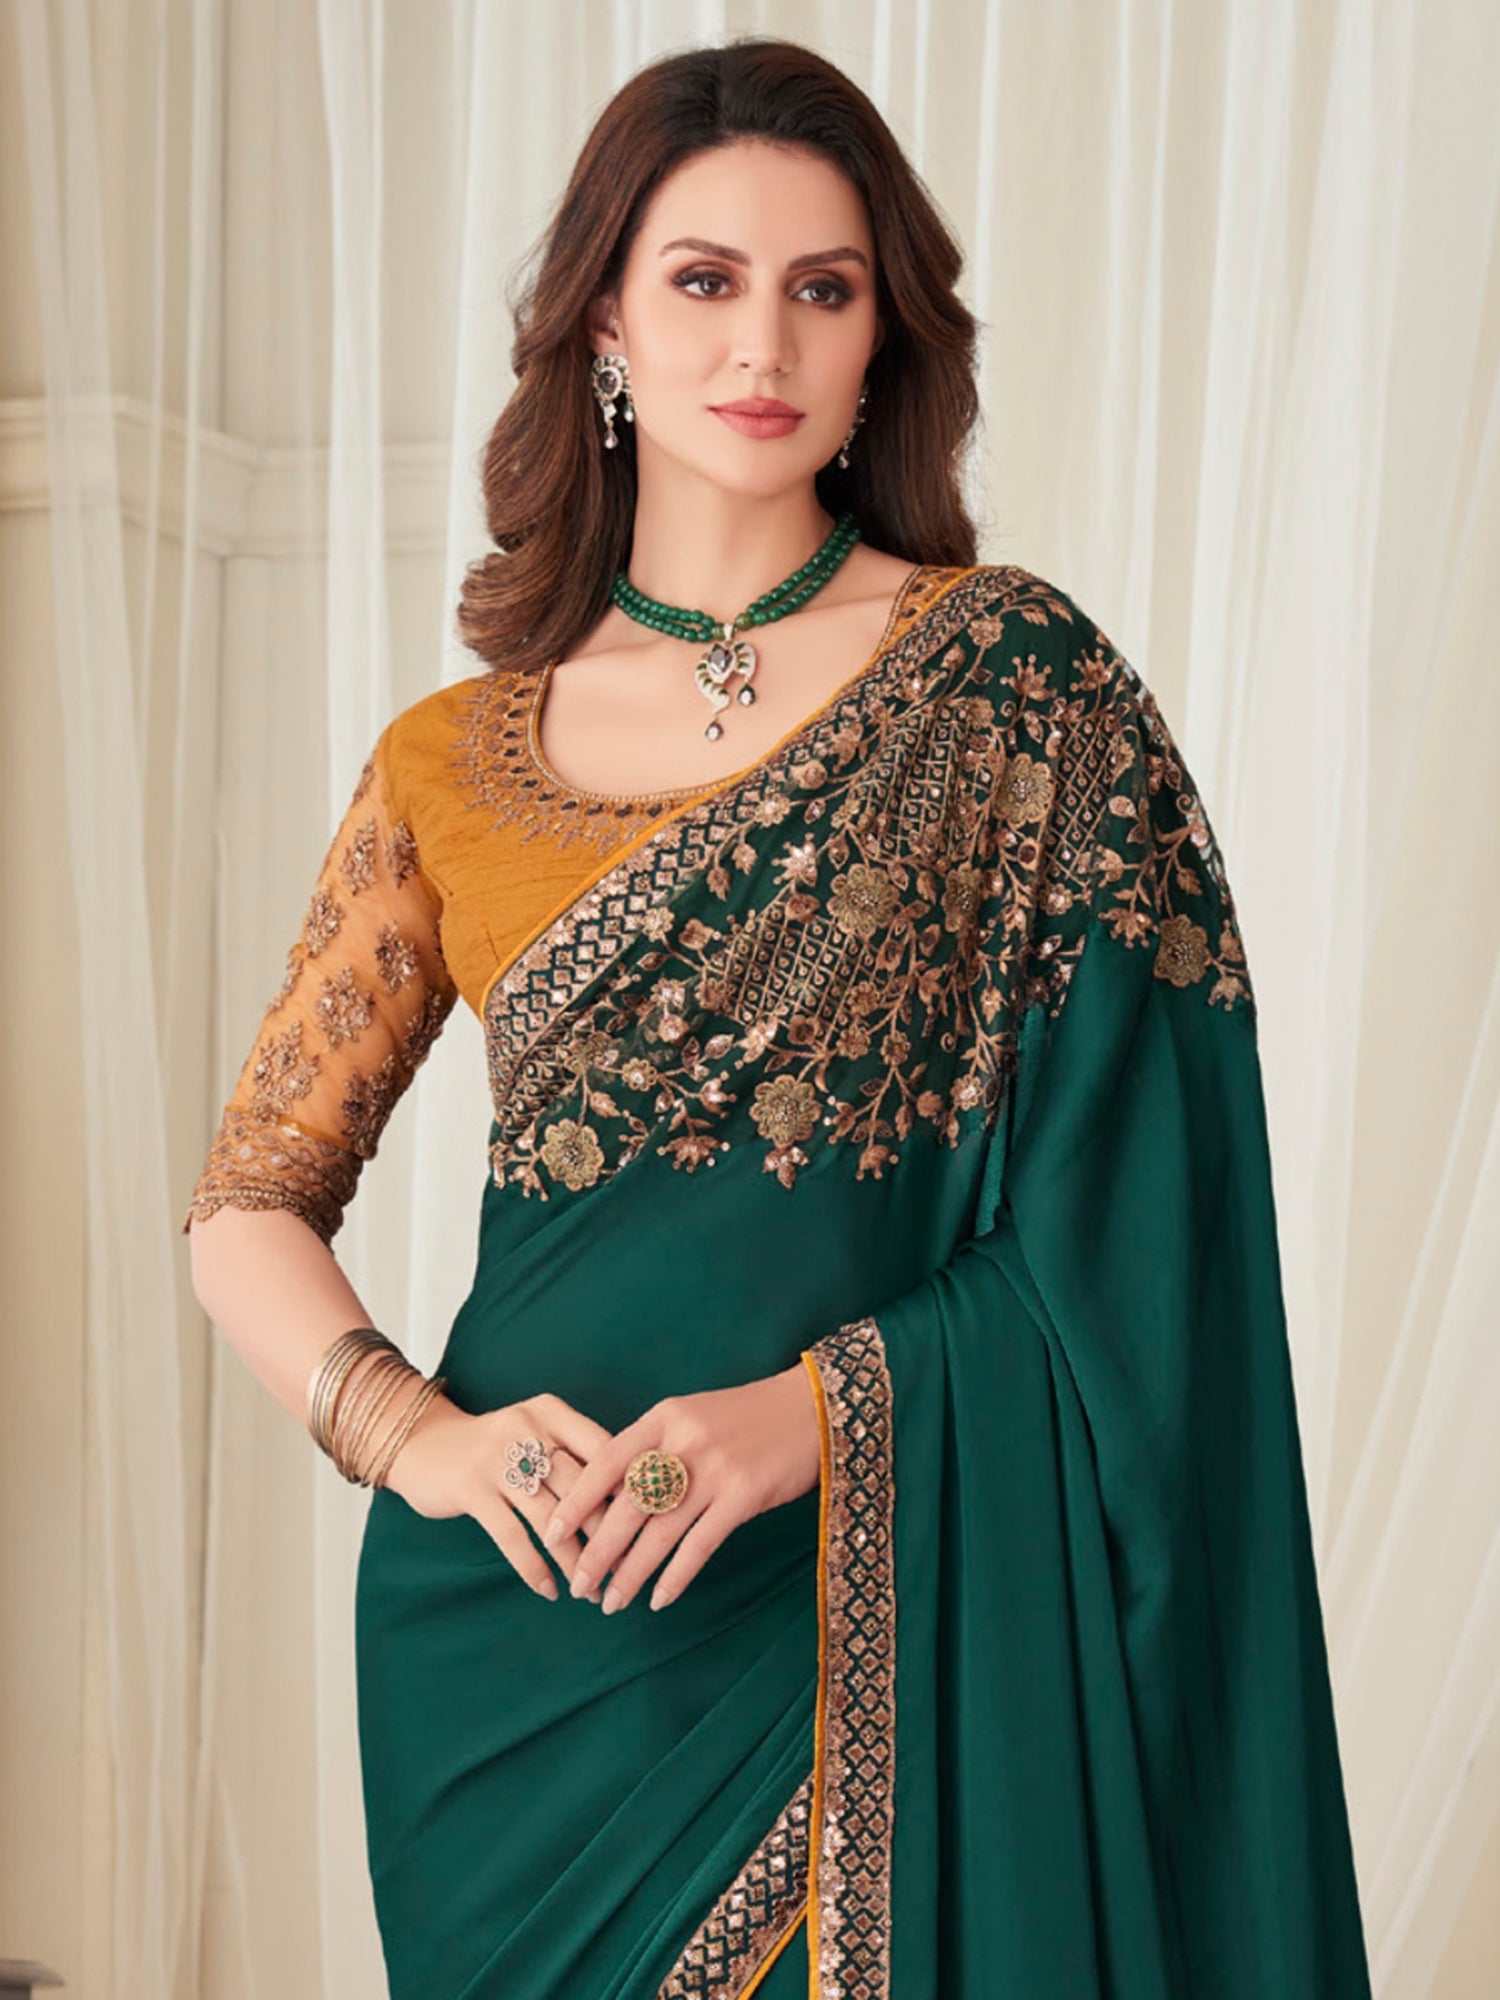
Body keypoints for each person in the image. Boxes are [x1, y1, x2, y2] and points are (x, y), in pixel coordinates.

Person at [182, 35, 1373, 2000]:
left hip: (885, 1609)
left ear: (884, 336)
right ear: (605, 325)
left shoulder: (1016, 692)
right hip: (530, 1651)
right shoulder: (452, 762)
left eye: (824, 287)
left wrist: (814, 1417)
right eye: (704, 279)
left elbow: (1151, 1231)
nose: (766, 340)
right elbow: (249, 1197)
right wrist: (423, 1445)